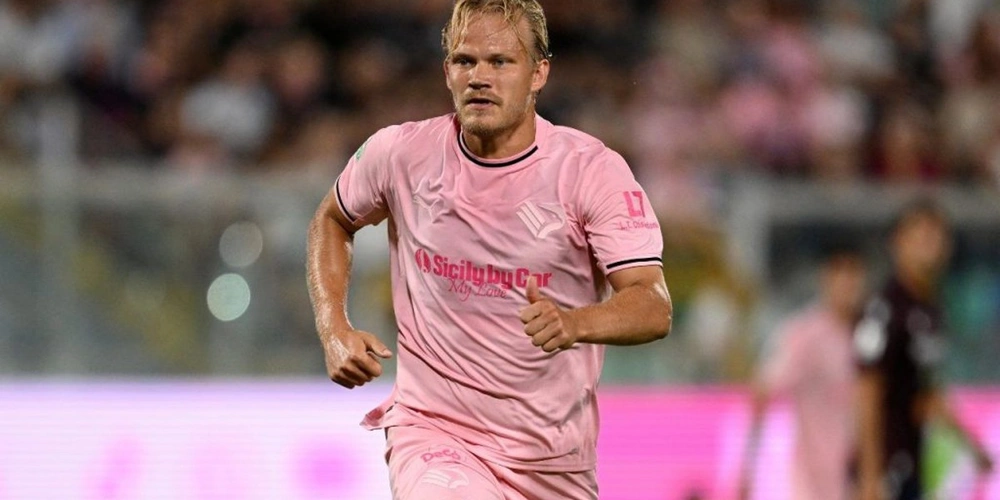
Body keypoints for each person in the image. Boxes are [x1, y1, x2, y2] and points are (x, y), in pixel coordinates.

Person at [305, 1, 672, 498]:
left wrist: (575, 323)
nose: (480, 77)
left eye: (500, 61)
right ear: (447, 72)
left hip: (553, 463)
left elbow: (652, 304)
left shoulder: (590, 171)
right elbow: (332, 218)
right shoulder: (400, 154)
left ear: (539, 74)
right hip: (434, 433)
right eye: (465, 61)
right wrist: (334, 329)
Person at [855, 198, 993, 500]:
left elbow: (925, 396)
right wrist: (870, 475)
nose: (930, 247)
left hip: (913, 462)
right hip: (887, 466)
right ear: (898, 243)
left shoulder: (930, 310)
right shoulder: (886, 308)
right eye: (921, 238)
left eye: (937, 238)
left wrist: (971, 445)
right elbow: (867, 391)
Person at [739, 245, 868, 500]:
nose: (848, 283)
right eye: (840, 273)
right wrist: (748, 469)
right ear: (825, 278)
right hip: (815, 484)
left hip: (860, 480)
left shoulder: (870, 335)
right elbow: (763, 389)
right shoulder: (806, 334)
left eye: (854, 274)